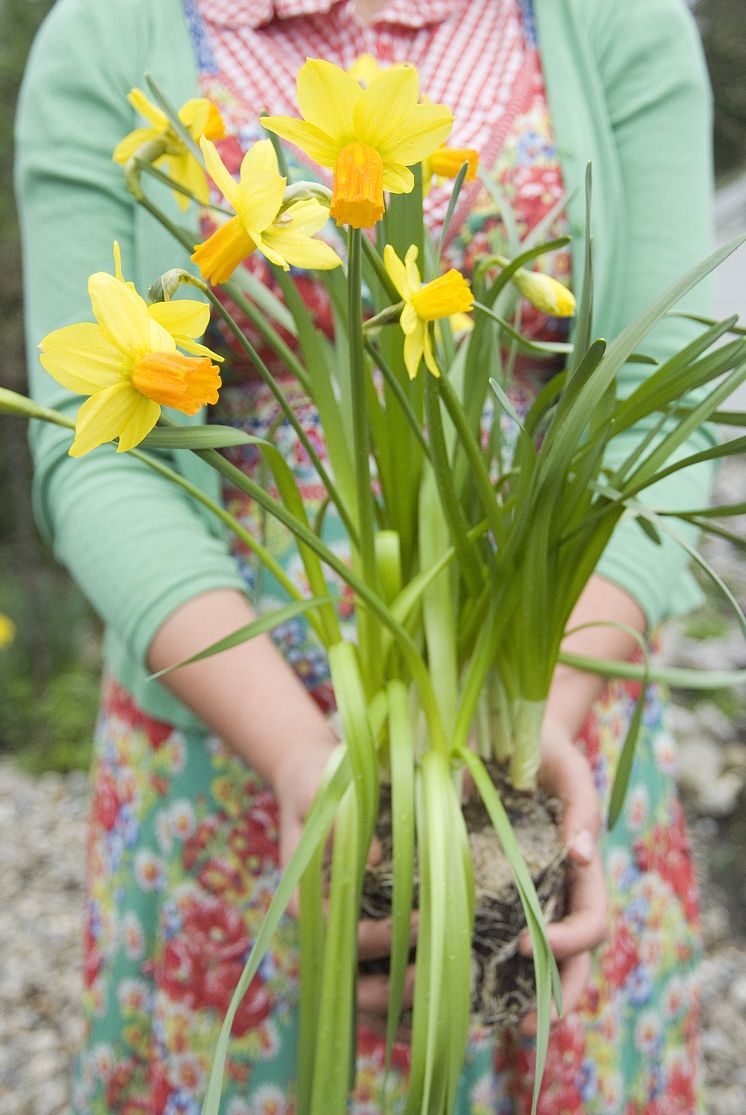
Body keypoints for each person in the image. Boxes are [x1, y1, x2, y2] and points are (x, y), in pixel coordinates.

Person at [15, 0, 715, 1111]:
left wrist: (537, 719)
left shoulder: (616, 20)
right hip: (233, 740)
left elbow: (651, 432)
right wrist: (303, 758)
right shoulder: (107, 36)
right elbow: (92, 454)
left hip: (548, 717)